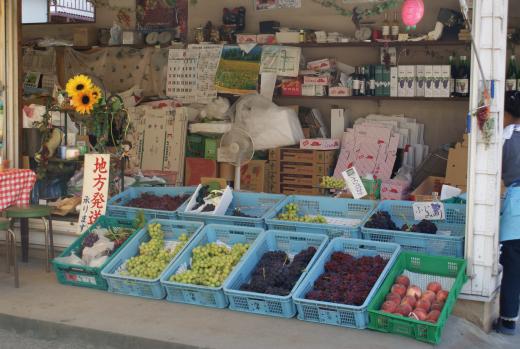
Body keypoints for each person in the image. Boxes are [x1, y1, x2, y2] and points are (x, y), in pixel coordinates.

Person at [495, 90, 520, 335]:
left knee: (513, 264)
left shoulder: (506, 135)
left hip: (517, 205)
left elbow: (492, 168)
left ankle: (508, 321)